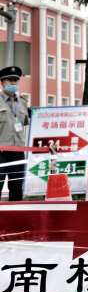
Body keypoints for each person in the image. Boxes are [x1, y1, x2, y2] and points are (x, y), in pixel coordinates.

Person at [0, 66, 30, 201]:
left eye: (15, 81)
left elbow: (25, 124)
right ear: (2, 83)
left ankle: (16, 219)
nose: (13, 84)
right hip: (1, 150)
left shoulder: (23, 103)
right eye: (9, 81)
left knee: (17, 188)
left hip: (18, 151)